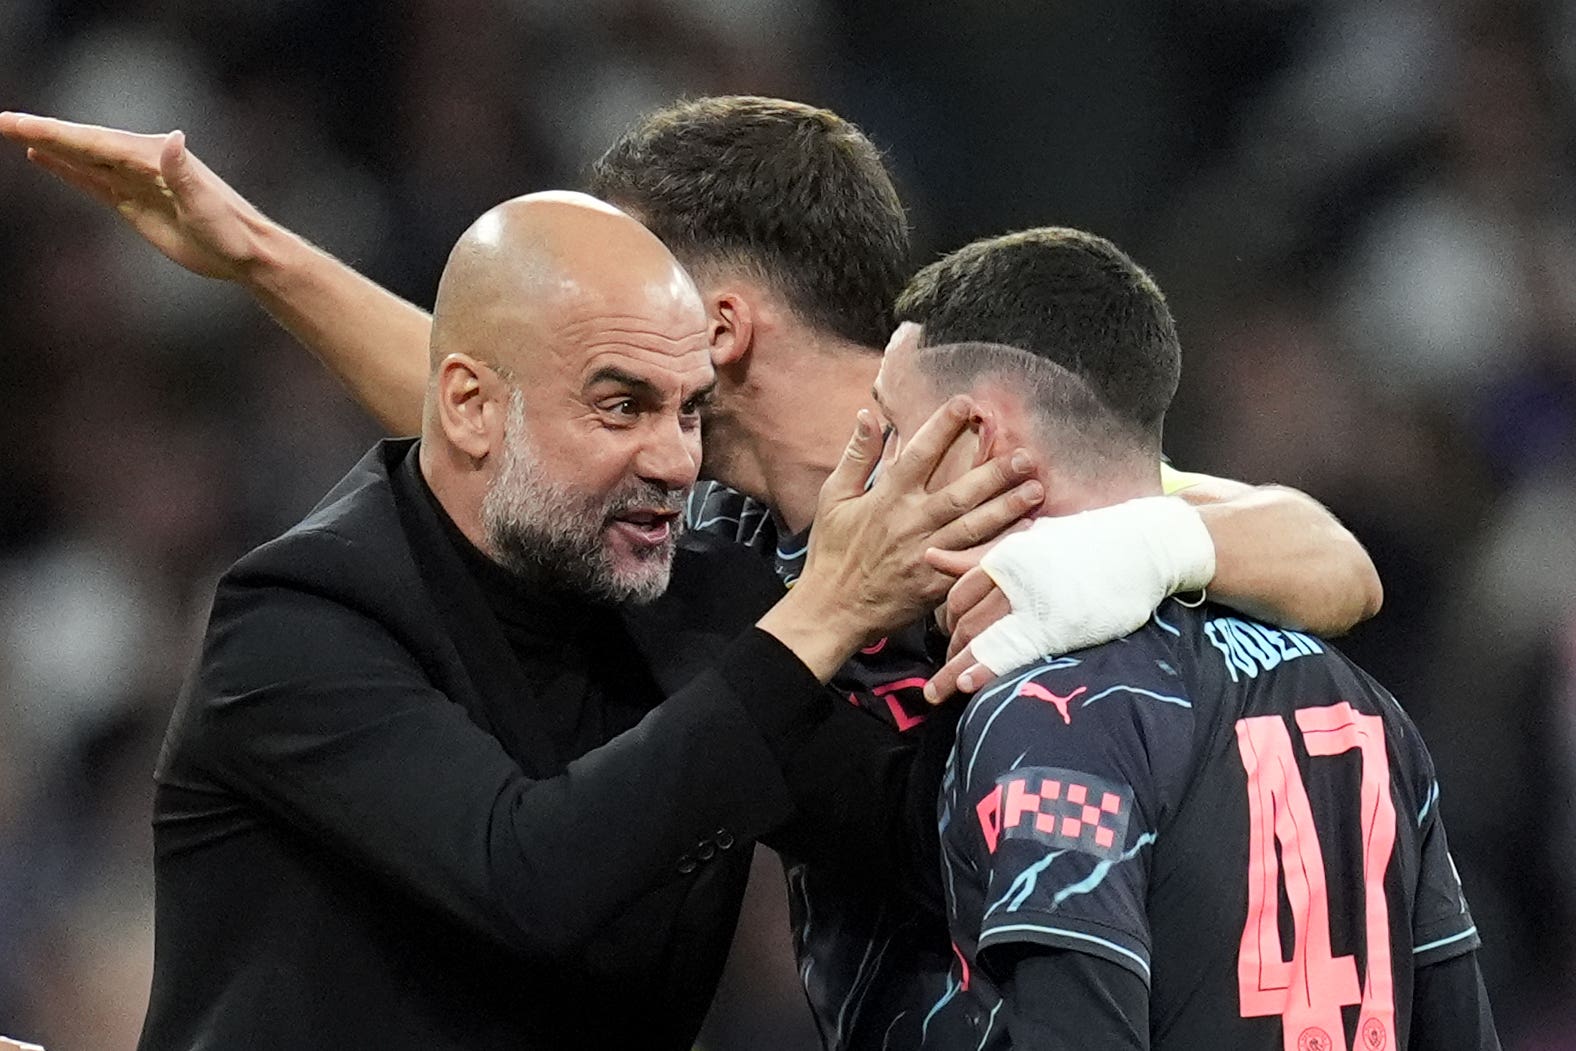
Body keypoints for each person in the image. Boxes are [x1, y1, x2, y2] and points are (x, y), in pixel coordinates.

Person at [0, 97, 1385, 1050]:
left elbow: (1329, 552)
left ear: (715, 328)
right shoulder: (700, 544)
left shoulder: (970, 467)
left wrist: (1119, 549)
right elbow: (493, 417)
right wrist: (258, 255)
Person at [136, 191, 1041, 1050]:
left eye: (691, 410)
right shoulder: (298, 622)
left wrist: (1098, 570)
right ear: (469, 406)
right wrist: (825, 609)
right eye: (623, 406)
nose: (678, 460)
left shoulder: (698, 603)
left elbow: (915, 827)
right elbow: (528, 879)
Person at [865, 230, 1497, 1048]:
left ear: (981, 439)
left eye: (891, 435)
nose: (876, 483)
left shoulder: (1043, 710)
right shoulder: (1356, 696)